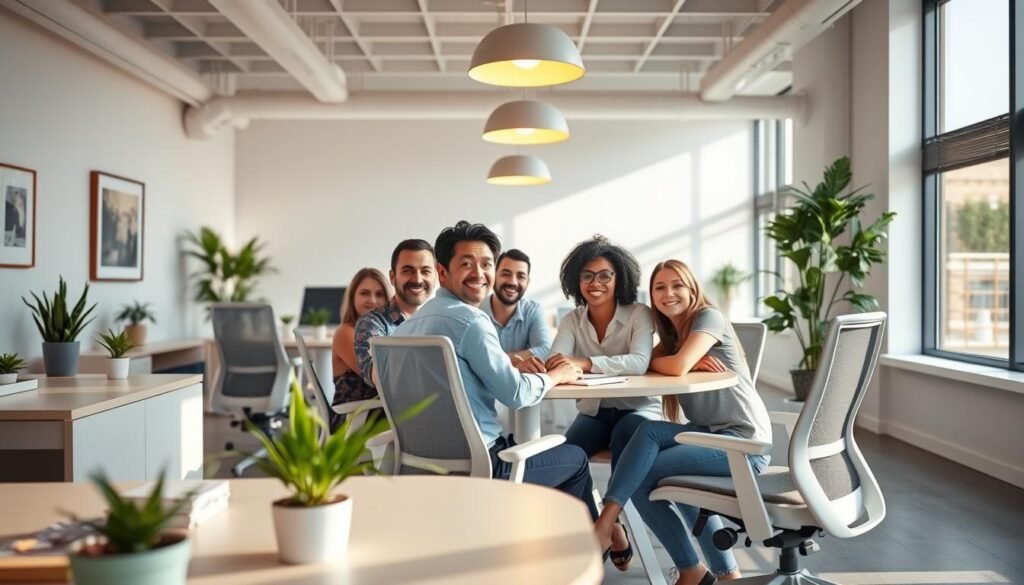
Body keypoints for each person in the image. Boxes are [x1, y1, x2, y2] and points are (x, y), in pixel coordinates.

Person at [395, 220, 600, 520]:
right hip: (483, 466)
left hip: (420, 465)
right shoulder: (472, 321)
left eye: (486, 264)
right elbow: (515, 394)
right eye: (466, 263)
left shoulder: (408, 326)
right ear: (442, 272)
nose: (479, 274)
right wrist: (556, 375)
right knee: (577, 459)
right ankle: (588, 550)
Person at [594, 259, 772, 585]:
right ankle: (723, 572)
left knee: (642, 474)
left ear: (692, 289)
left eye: (677, 285)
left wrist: (677, 362)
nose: (668, 293)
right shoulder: (674, 336)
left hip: (743, 444)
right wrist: (675, 359)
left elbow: (674, 368)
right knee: (647, 431)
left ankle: (615, 527)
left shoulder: (708, 318)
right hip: (711, 435)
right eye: (659, 287)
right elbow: (648, 363)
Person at [353, 239, 436, 391]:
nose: (417, 279)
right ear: (392, 277)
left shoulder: (439, 320)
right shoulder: (371, 323)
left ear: (436, 276)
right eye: (407, 271)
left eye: (425, 271)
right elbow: (378, 376)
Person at [329, 268, 391, 428]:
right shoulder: (346, 333)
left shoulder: (386, 333)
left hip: (379, 414)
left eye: (379, 294)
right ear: (352, 297)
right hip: (355, 421)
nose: (372, 300)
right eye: (364, 293)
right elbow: (380, 379)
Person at [481, 248, 553, 371]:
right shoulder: (476, 310)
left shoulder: (533, 310)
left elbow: (545, 350)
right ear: (494, 275)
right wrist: (517, 361)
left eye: (521, 276)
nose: (513, 282)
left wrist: (496, 360)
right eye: (506, 274)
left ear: (527, 282)